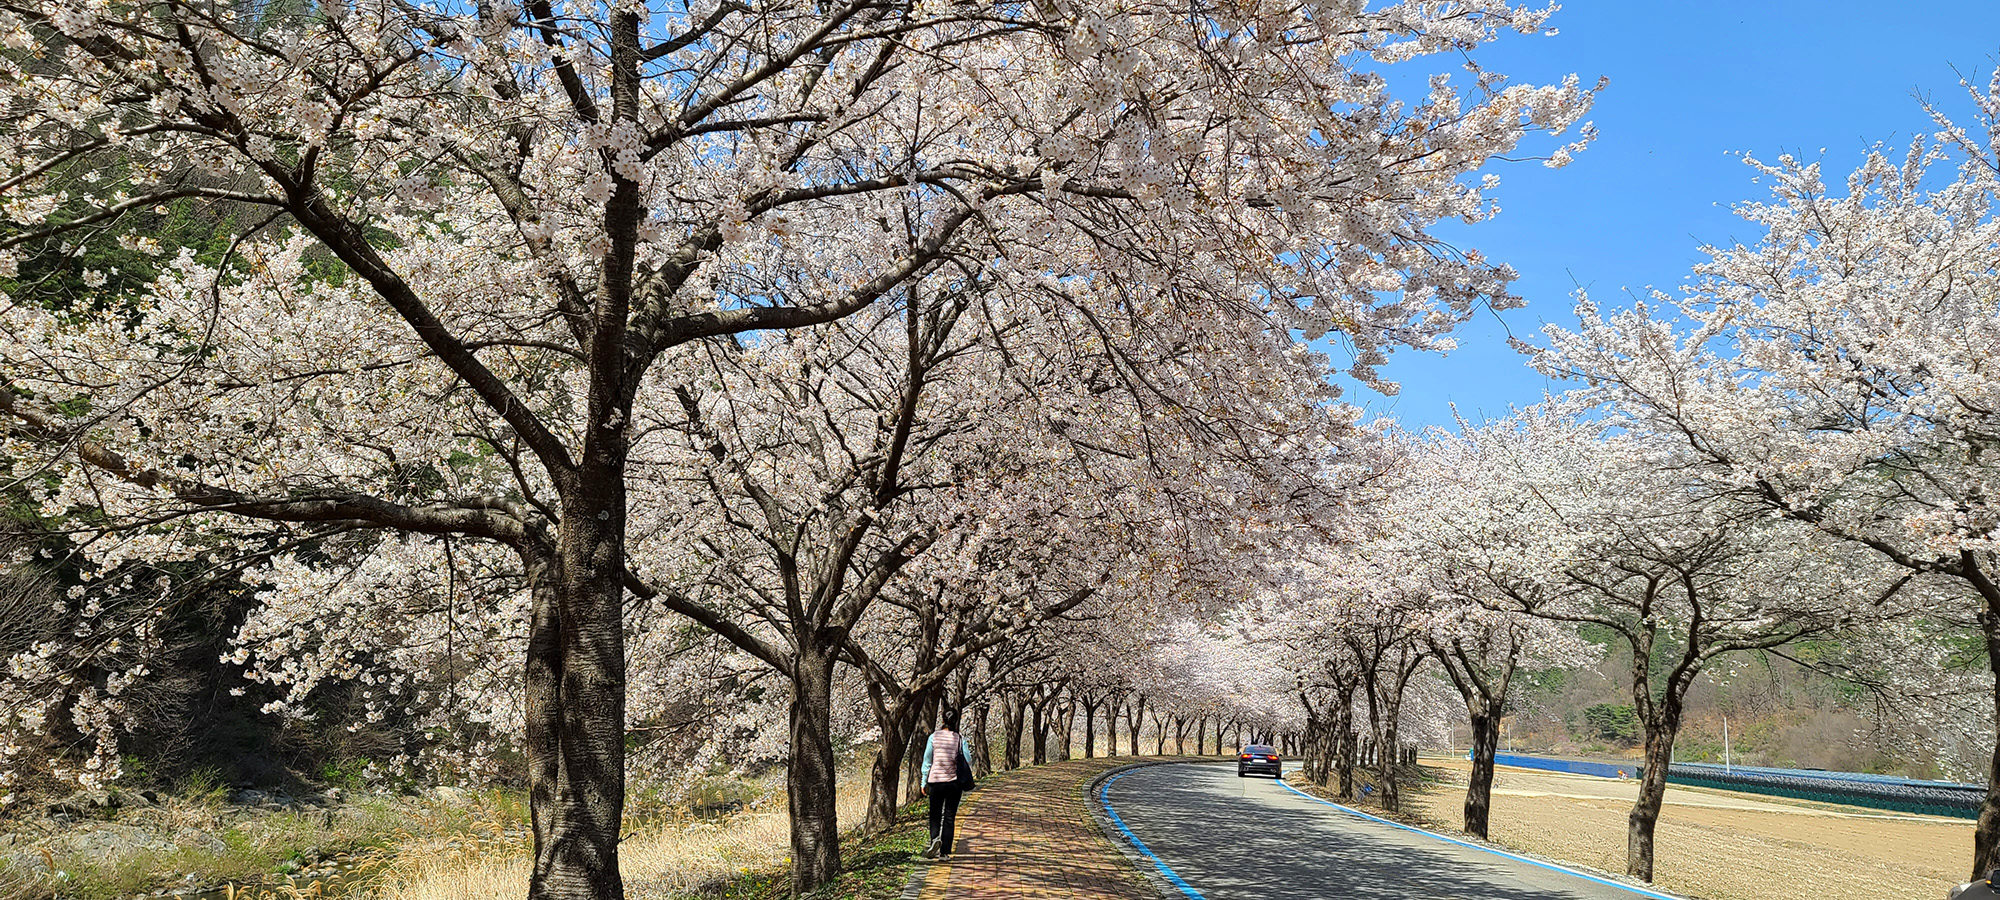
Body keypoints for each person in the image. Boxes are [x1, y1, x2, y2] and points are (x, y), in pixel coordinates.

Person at [919, 707, 974, 860]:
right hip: (954, 783)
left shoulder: (933, 737)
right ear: (955, 721)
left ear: (942, 720)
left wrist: (924, 781)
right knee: (949, 817)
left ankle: (935, 839)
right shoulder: (959, 739)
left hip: (936, 782)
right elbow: (968, 760)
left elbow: (927, 761)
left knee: (935, 815)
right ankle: (944, 853)